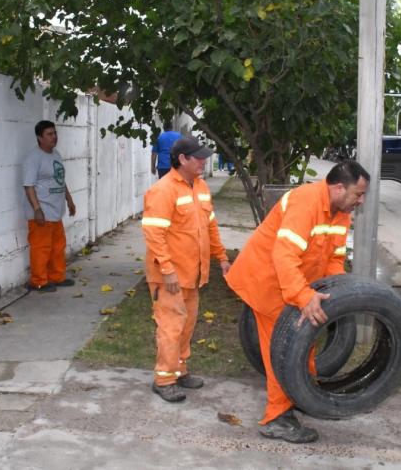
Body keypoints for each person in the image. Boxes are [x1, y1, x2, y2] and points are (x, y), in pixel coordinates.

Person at [225, 160, 369, 444]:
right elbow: (284, 256)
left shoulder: (341, 212)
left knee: (305, 342)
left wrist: (337, 297)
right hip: (269, 284)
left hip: (298, 286)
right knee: (282, 353)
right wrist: (303, 296)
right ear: (339, 188)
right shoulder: (306, 202)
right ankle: (276, 419)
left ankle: (302, 397)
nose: (361, 201)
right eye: (358, 194)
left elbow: (334, 259)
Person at [141, 137, 231, 402]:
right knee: (170, 326)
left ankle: (179, 369)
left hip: (192, 274)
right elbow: (153, 234)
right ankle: (164, 379)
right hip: (169, 276)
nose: (204, 161)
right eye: (199, 157)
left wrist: (221, 257)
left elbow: (210, 226)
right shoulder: (163, 190)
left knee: (186, 326)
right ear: (182, 159)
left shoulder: (200, 187)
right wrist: (167, 270)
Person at [23, 120, 76, 292]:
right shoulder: (33, 158)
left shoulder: (56, 154)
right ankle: (38, 281)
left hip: (56, 211)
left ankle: (57, 277)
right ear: (40, 137)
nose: (54, 137)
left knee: (58, 246)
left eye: (55, 133)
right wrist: (37, 209)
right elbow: (28, 186)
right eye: (49, 134)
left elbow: (60, 179)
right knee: (41, 248)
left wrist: (69, 199)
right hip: (42, 213)